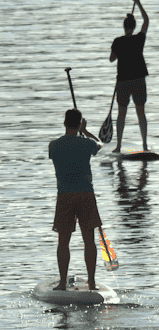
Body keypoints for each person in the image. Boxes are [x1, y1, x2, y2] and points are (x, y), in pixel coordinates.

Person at [48, 109, 103, 290]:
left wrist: (78, 132)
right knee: (89, 240)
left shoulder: (54, 146)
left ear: (64, 123)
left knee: (63, 241)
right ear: (79, 124)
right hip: (86, 195)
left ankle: (63, 283)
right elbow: (100, 144)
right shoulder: (86, 144)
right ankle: (92, 282)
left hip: (64, 196)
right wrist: (85, 132)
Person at [109, 0, 150, 153]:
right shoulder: (139, 39)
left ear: (124, 26)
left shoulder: (117, 42)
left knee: (121, 114)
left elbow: (111, 59)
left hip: (123, 82)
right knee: (141, 113)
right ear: (133, 26)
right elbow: (146, 21)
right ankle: (145, 145)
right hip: (138, 80)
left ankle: (118, 146)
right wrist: (138, 3)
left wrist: (119, 53)